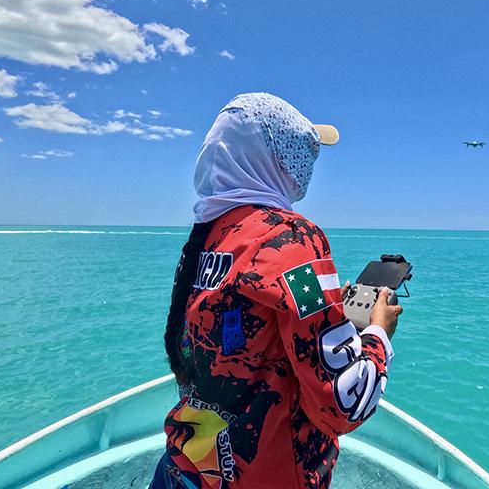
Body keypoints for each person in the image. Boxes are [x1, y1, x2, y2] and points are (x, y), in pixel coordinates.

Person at [151, 93, 403, 489]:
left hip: (184, 470)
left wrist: (325, 306)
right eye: (306, 150)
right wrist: (377, 334)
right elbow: (341, 406)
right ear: (277, 158)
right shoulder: (291, 239)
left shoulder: (204, 240)